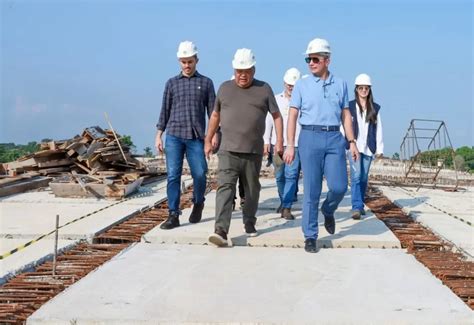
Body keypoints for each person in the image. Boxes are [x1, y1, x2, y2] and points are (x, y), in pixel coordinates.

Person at [284, 38, 360, 253]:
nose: (311, 62)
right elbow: (292, 116)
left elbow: (346, 114)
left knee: (338, 187)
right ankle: (310, 235)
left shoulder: (341, 84)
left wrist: (352, 142)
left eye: (315, 58)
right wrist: (290, 145)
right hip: (309, 137)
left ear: (327, 60)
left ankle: (328, 209)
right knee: (312, 190)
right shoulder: (302, 84)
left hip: (334, 138)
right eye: (308, 59)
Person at [205, 48, 284, 247]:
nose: (242, 75)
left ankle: (249, 220)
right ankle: (221, 230)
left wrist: (280, 141)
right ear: (234, 69)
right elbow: (215, 115)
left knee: (251, 190)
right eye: (239, 70)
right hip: (228, 149)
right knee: (225, 188)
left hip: (253, 151)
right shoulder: (224, 88)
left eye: (246, 70)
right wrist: (208, 139)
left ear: (253, 70)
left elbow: (276, 116)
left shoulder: (264, 89)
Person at [155, 40, 218, 230]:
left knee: (200, 173)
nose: (187, 65)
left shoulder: (206, 83)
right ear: (179, 62)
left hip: (196, 137)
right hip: (174, 136)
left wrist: (214, 135)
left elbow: (213, 112)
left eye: (190, 61)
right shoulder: (172, 83)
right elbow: (164, 110)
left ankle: (198, 201)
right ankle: (173, 214)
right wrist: (159, 134)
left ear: (196, 60)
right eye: (183, 62)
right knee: (173, 175)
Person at [263, 68, 302, 220]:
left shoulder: (303, 101)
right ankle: (283, 200)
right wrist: (266, 141)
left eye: (294, 85)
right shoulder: (276, 99)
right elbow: (269, 121)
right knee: (280, 176)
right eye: (289, 84)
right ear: (285, 83)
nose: (291, 87)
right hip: (277, 144)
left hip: (296, 144)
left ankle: (287, 206)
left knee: (291, 175)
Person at [346, 73, 384, 220]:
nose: (363, 91)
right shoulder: (349, 106)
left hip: (368, 147)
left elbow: (379, 129)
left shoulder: (374, 108)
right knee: (355, 176)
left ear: (369, 90)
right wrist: (346, 143)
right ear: (356, 89)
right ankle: (356, 207)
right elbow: (344, 125)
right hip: (353, 147)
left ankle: (360, 203)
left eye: (366, 88)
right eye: (361, 88)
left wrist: (379, 149)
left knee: (363, 177)